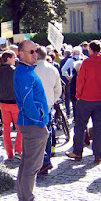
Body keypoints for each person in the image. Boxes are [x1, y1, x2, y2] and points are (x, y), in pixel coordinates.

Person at [66, 40, 101, 164]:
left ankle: (77, 152)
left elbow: (81, 81)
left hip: (86, 99)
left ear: (91, 50)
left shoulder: (86, 63)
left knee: (81, 126)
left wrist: (78, 95)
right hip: (100, 99)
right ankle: (98, 154)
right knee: (98, 126)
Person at [13, 40, 49, 201]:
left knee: (27, 164)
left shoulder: (25, 71)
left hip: (30, 124)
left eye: (35, 51)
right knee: (32, 166)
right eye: (31, 52)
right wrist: (41, 121)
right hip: (33, 125)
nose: (35, 54)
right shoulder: (24, 73)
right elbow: (28, 104)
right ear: (21, 54)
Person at [34, 46, 62, 175]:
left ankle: (42, 161)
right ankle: (47, 158)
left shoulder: (31, 69)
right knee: (48, 132)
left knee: (36, 135)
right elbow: (58, 90)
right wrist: (51, 101)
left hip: (34, 106)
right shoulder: (53, 69)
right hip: (47, 105)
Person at [0, 50, 22, 160]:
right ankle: (18, 150)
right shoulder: (15, 71)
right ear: (8, 59)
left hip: (4, 103)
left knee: (6, 129)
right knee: (20, 128)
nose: (15, 59)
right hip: (15, 103)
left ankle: (9, 153)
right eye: (14, 57)